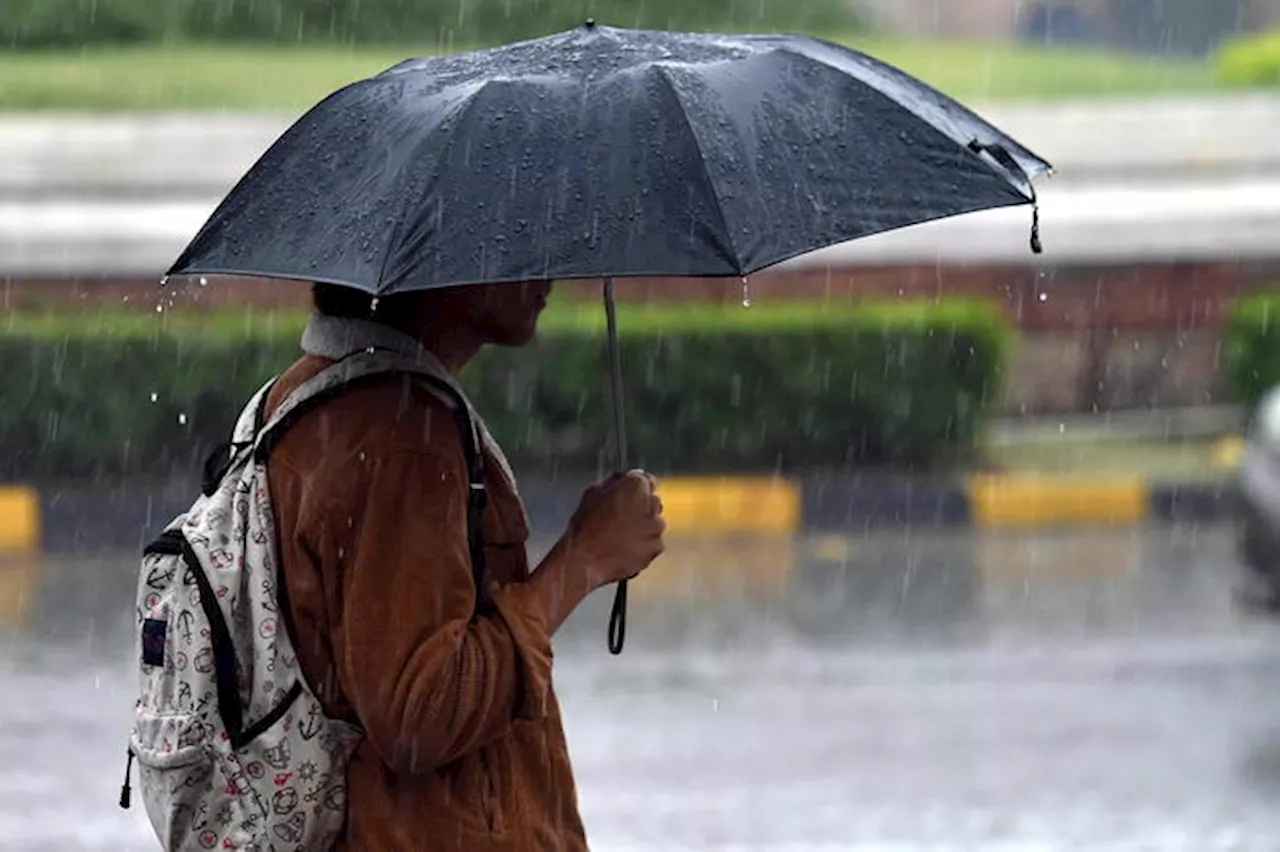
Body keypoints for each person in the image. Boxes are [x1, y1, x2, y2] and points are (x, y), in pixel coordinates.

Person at [262, 280, 666, 850]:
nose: (546, 268)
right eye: (518, 236)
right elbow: (420, 712)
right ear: (442, 270)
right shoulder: (403, 438)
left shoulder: (308, 392)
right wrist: (583, 559)